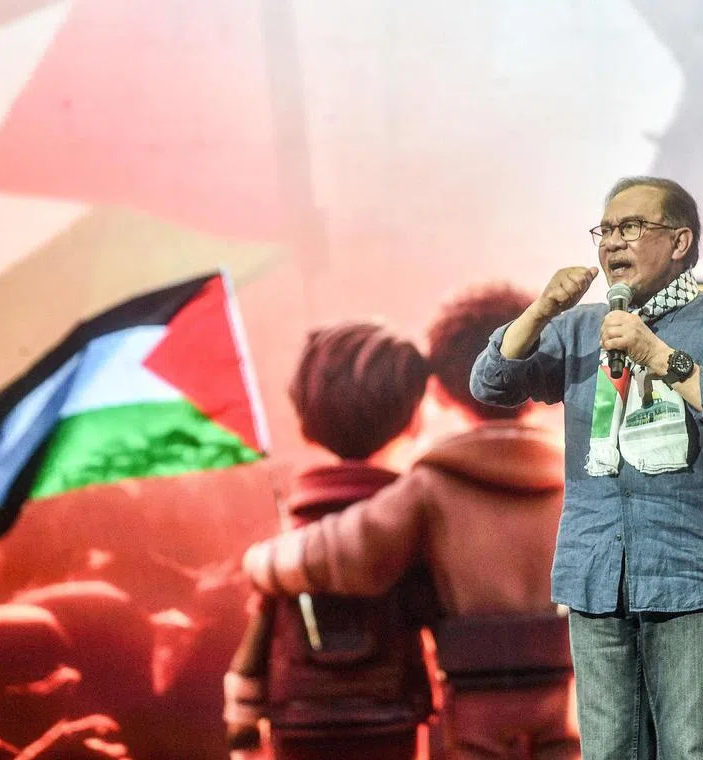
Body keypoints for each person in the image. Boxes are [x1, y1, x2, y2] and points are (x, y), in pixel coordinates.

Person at [468, 176, 703, 759]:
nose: (613, 242)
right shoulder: (577, 328)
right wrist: (541, 310)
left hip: (692, 579)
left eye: (632, 227)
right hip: (596, 577)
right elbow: (491, 383)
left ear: (681, 242)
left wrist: (657, 355)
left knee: (690, 752)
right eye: (606, 230)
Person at [243, 284, 580, 759]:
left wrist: (265, 562)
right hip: (569, 691)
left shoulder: (433, 485)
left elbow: (347, 553)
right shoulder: (579, 480)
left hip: (475, 699)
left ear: (437, 390)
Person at [223, 321, 437, 760]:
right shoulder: (411, 528)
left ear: (304, 424)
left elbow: (260, 633)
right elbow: (436, 611)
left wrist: (242, 724)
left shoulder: (293, 533)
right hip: (391, 718)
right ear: (413, 418)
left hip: (298, 723)